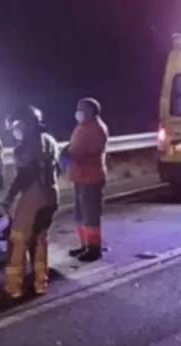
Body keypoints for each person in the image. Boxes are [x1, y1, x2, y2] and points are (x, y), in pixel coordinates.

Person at [0, 105, 60, 299]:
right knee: (40, 239)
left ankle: (14, 286)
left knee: (18, 239)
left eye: (14, 129)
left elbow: (24, 176)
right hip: (51, 195)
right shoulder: (49, 140)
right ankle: (40, 283)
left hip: (33, 197)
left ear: (22, 125)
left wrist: (8, 198)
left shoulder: (23, 149)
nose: (14, 134)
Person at [64, 98, 109, 262]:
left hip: (91, 177)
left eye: (81, 109)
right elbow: (75, 145)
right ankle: (84, 245)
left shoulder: (97, 129)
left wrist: (72, 155)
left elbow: (92, 152)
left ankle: (94, 248)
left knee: (90, 215)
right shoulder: (82, 127)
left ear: (91, 111)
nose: (78, 112)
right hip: (79, 176)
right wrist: (67, 150)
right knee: (80, 214)